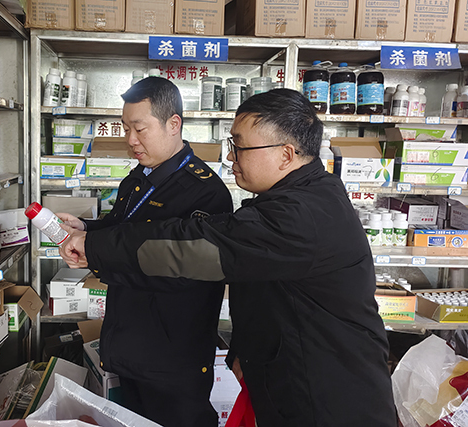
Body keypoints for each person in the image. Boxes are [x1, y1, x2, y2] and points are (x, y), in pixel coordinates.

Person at [59, 89, 397, 427]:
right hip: (297, 380)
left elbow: (194, 247)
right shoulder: (297, 197)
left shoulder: (300, 216)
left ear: (286, 154)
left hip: (329, 401)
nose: (231, 157)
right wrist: (245, 351)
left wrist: (96, 248)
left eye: (240, 146)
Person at [56, 76, 233, 427]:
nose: (130, 140)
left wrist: (97, 252)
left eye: (139, 129)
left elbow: (182, 270)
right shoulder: (138, 179)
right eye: (125, 128)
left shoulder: (205, 193)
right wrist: (87, 230)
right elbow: (123, 229)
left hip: (172, 358)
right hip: (130, 345)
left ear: (173, 124)